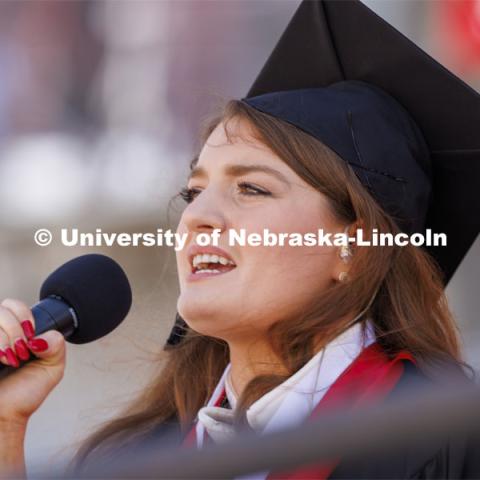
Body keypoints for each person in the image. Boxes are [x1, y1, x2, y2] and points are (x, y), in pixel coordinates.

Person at [0, 0, 479, 478]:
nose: (197, 218)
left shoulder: (445, 439)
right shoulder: (135, 457)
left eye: (251, 188)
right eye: (194, 193)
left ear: (353, 246)